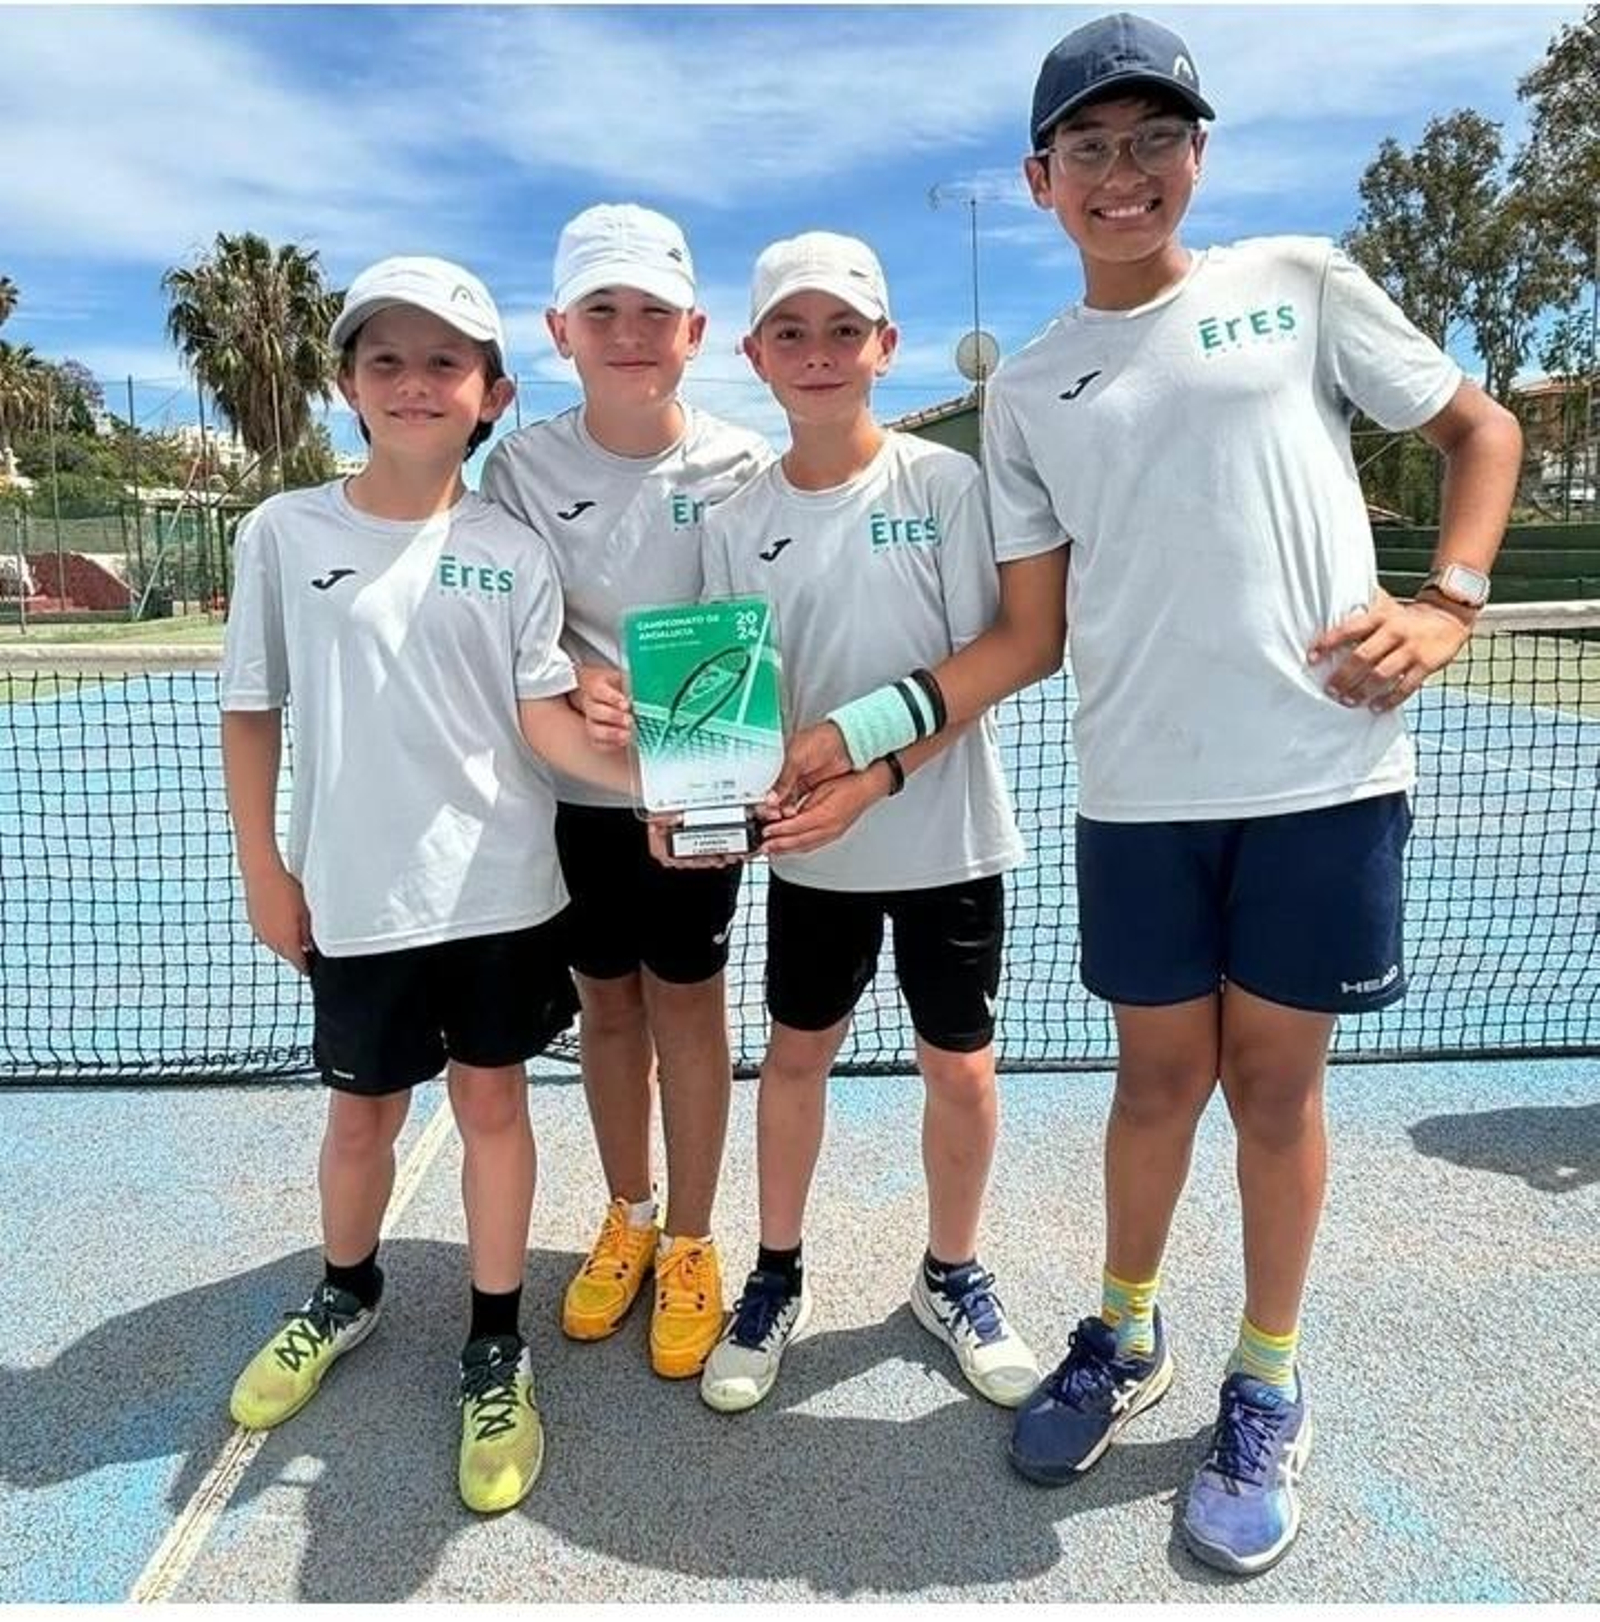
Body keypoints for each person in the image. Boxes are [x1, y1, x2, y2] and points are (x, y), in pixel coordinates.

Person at [767, 11, 1521, 1576]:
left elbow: (1480, 430)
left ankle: (1265, 1372)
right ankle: (1122, 1333)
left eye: (1155, 139)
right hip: (1139, 805)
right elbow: (1026, 638)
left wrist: (1450, 598)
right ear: (1043, 180)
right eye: (1091, 148)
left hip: (1323, 781)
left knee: (1272, 1091)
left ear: (1199, 155)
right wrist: (871, 738)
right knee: (1155, 1086)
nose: (1126, 173)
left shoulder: (1297, 285)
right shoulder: (1031, 390)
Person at [220, 255, 636, 1514]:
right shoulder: (283, 532)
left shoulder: (510, 552)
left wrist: (640, 759)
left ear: (490, 394)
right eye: (386, 360)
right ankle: (344, 1291)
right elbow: (253, 711)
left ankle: (493, 1342)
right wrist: (264, 869)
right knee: (359, 1120)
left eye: (443, 361)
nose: (415, 382)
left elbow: (544, 725)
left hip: (504, 898)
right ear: (347, 383)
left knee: (495, 1107)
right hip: (352, 897)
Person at [689, 231, 1041, 1416]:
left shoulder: (945, 488)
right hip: (814, 862)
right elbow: (733, 707)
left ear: (885, 346)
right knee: (796, 1057)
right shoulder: (734, 520)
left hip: (945, 842)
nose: (819, 352)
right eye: (790, 331)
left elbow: (984, 666)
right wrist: (704, 793)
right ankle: (775, 1275)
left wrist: (874, 774)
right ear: (753, 354)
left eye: (844, 329)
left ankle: (951, 1273)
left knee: (963, 1066)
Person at [479, 205, 771, 1381]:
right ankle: (629, 1210)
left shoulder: (742, 463)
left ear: (694, 331)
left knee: (688, 1010)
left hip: (699, 793)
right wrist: (580, 683)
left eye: (654, 312)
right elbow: (515, 628)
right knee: (607, 1011)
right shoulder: (520, 466)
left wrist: (699, 743)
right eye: (603, 311)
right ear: (561, 329)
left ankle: (694, 1238)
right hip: (573, 801)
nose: (630, 332)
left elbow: (756, 637)